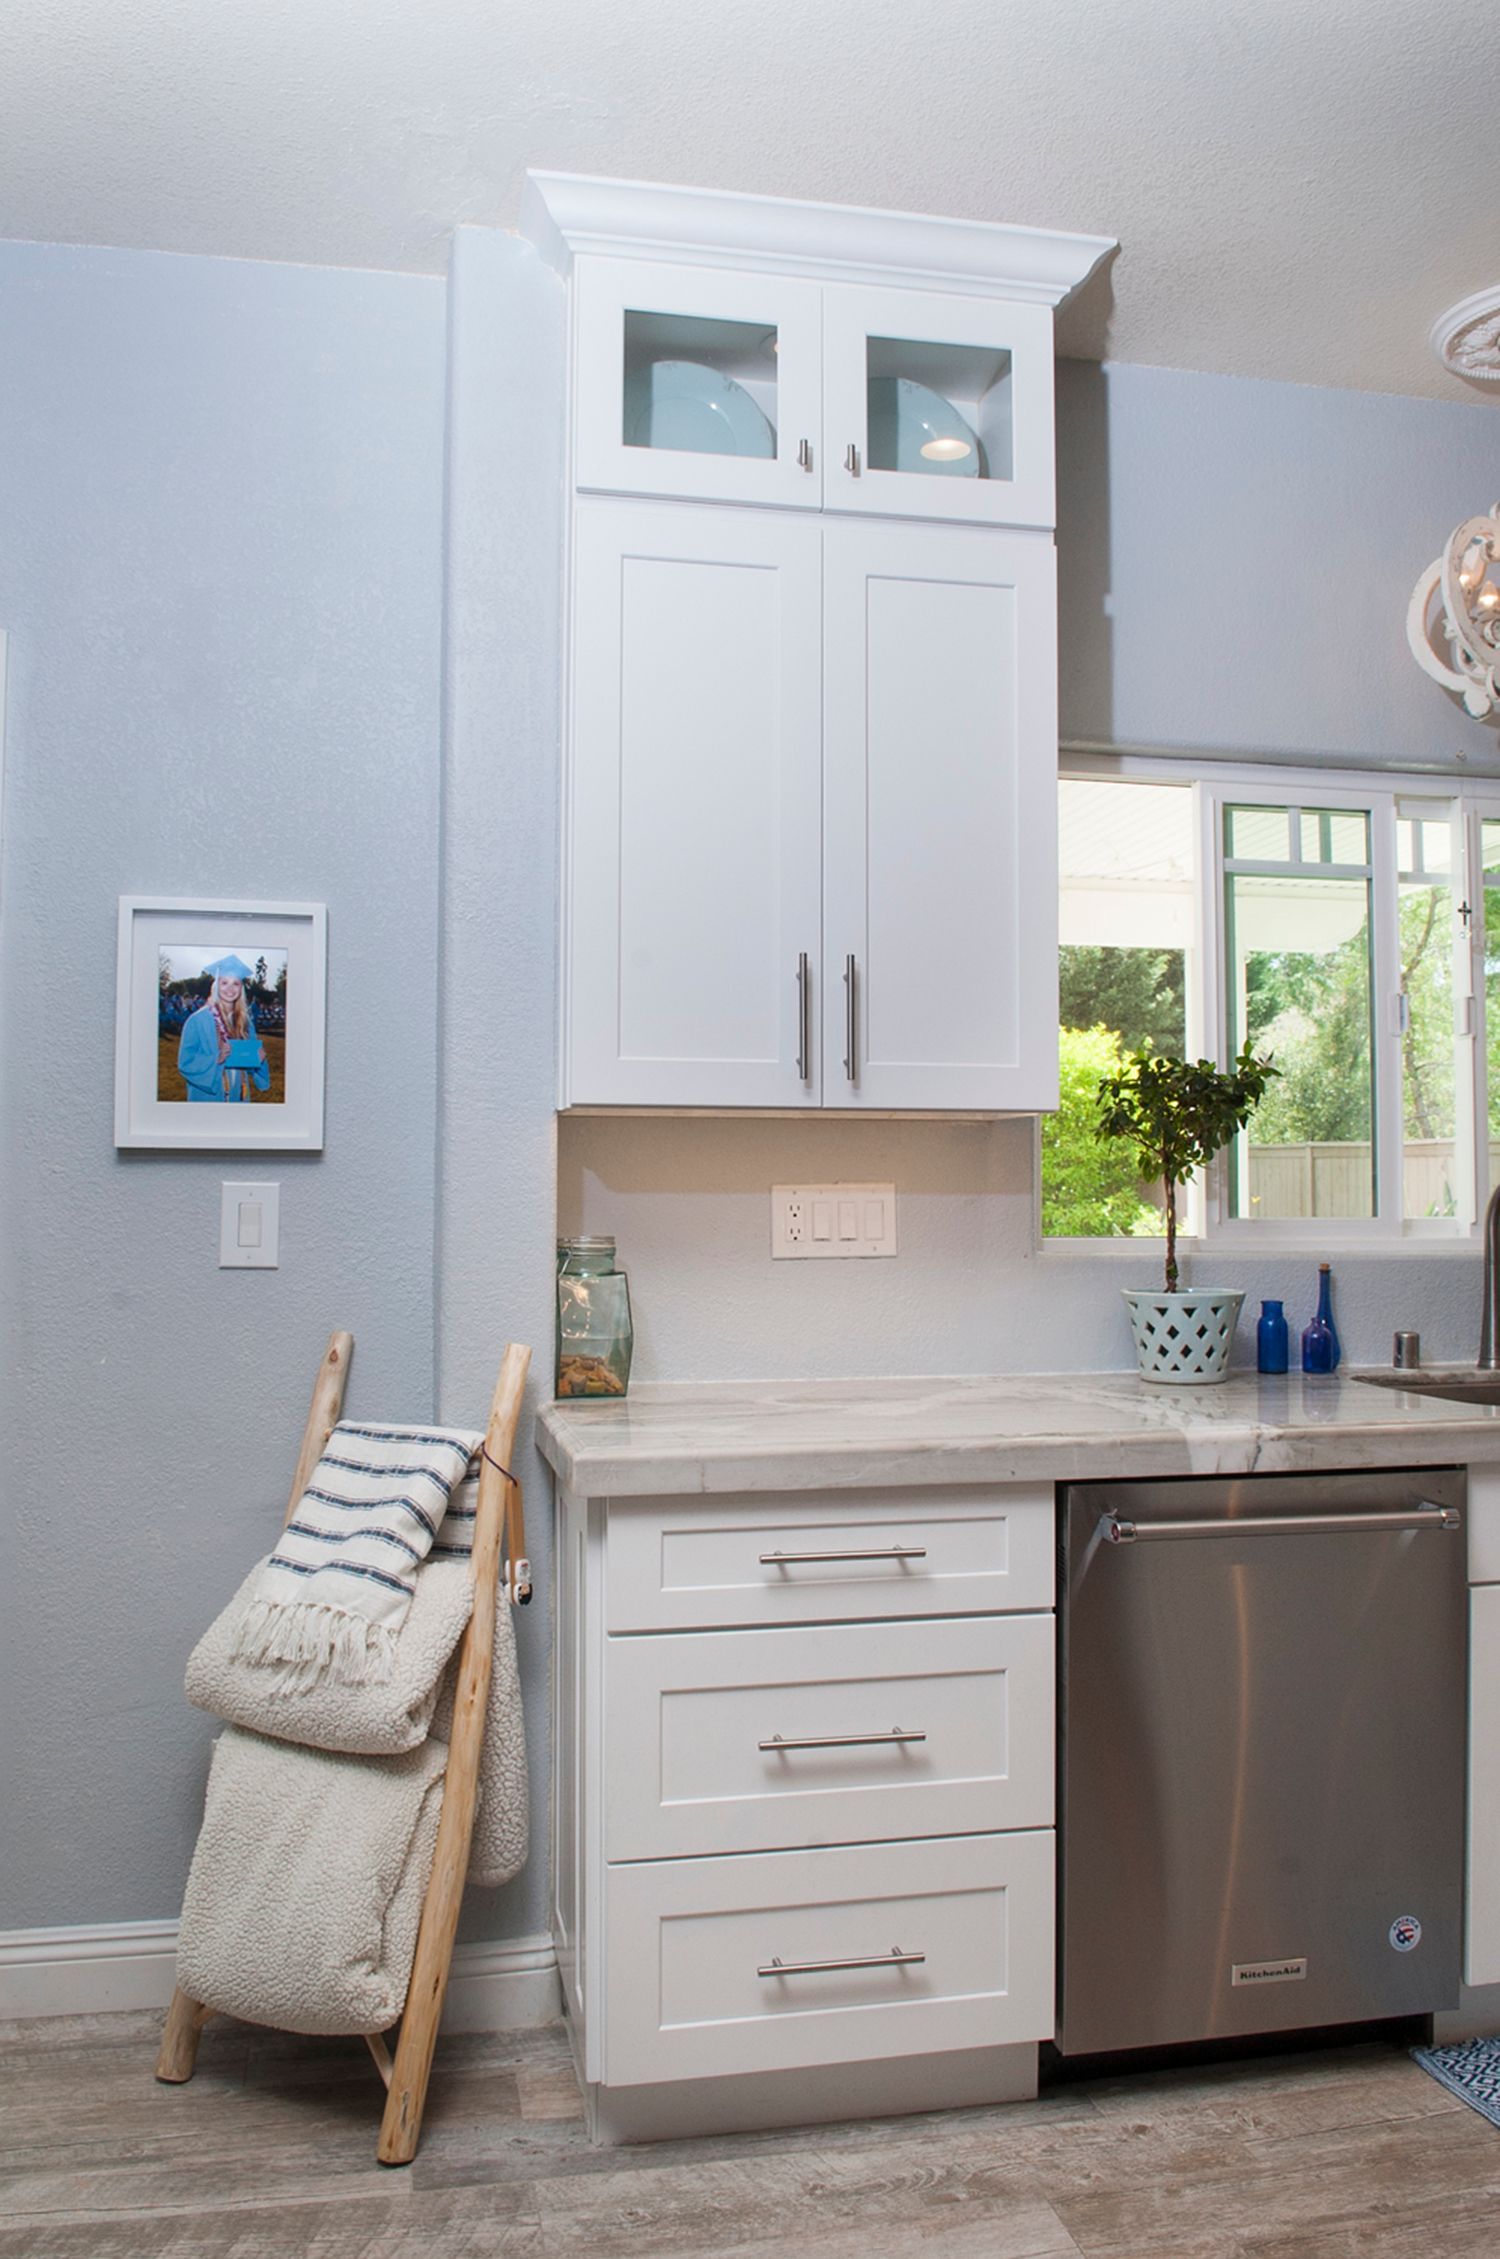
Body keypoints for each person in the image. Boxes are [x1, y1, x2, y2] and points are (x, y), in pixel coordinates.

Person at [177, 954, 270, 1103]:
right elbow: (185, 1062)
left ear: (241, 988)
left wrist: (259, 1059)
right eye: (224, 982)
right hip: (208, 1098)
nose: (230, 989)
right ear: (216, 985)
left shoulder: (244, 1021)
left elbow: (252, 1060)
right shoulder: (197, 1020)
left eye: (236, 983)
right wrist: (215, 1058)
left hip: (238, 1094)